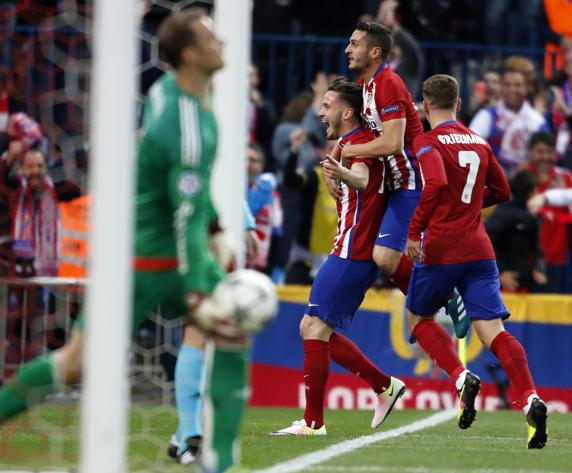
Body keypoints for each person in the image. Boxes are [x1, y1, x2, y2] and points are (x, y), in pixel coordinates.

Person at [0, 10, 251, 473]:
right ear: (190, 54)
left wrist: (217, 229)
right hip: (146, 260)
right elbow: (185, 218)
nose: (224, 43)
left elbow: (187, 195)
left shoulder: (171, 91)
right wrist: (198, 285)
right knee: (76, 364)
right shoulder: (187, 122)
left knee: (236, 320)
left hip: (168, 247)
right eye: (212, 37)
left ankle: (218, 456)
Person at [405, 74, 548, 449]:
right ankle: (530, 397)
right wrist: (468, 208)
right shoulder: (479, 141)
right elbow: (502, 190)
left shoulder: (426, 140)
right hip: (480, 251)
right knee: (494, 333)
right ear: (457, 104)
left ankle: (458, 376)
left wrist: (415, 232)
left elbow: (434, 185)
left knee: (419, 320)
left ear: (424, 105)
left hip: (441, 249)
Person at [273, 77, 404, 436]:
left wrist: (338, 170)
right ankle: (383, 386)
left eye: (327, 105)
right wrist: (333, 166)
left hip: (354, 250)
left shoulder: (360, 143)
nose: (320, 112)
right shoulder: (349, 143)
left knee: (314, 327)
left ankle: (314, 422)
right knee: (312, 328)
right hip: (348, 248)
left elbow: (361, 179)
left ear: (347, 113)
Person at [339, 19, 468, 338]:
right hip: (393, 183)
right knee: (378, 255)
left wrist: (346, 151)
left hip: (412, 180)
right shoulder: (367, 86)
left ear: (375, 51)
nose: (348, 49)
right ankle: (425, 303)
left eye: (355, 44)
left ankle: (445, 296)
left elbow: (392, 143)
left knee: (383, 256)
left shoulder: (388, 84)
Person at [469, 68, 547, 175]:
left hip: (528, 180)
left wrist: (528, 165)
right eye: (507, 85)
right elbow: (470, 145)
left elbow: (547, 153)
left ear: (526, 88)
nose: (512, 89)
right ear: (501, 87)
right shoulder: (486, 115)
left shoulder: (537, 120)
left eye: (518, 85)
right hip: (492, 179)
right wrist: (494, 168)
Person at [524, 131, 572, 293]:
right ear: (530, 152)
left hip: (559, 256)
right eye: (540, 152)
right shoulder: (524, 178)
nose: (545, 157)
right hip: (529, 257)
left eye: (549, 152)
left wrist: (552, 215)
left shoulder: (565, 178)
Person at [485, 171, 547, 292]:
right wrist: (500, 273)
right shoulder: (503, 215)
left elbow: (536, 248)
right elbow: (487, 244)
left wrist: (538, 268)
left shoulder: (530, 218)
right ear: (532, 192)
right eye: (537, 191)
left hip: (523, 283)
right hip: (501, 286)